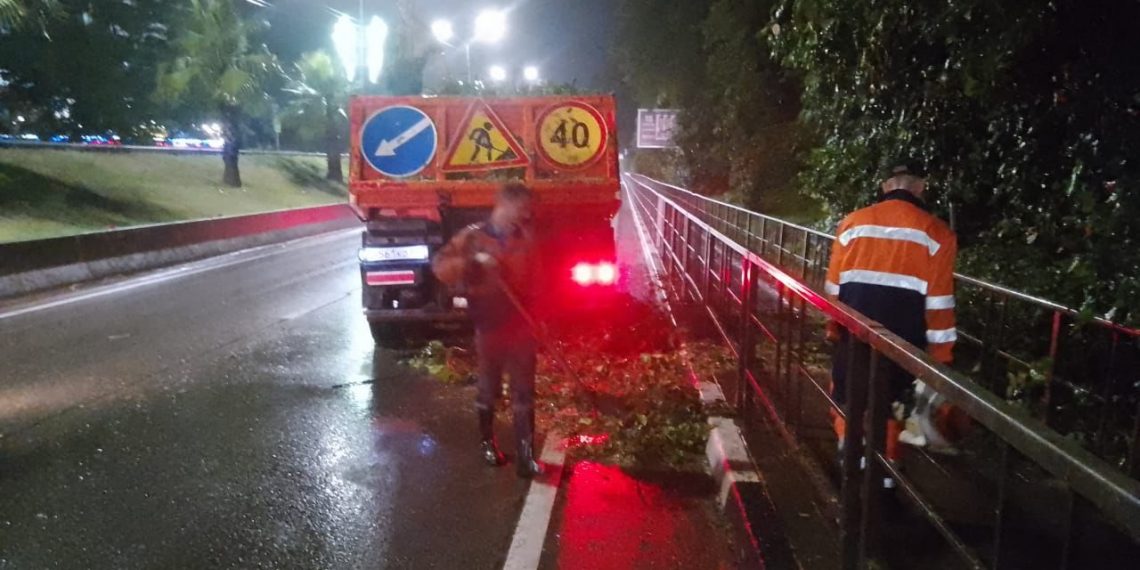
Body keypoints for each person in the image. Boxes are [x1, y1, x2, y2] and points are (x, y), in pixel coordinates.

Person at [825, 159, 958, 475]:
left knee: (848, 395)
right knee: (890, 406)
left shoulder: (851, 224)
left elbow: (833, 288)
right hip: (903, 342)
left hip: (853, 332)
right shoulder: (938, 234)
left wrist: (833, 329)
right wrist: (941, 357)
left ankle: (848, 460)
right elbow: (939, 304)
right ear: (921, 186)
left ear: (885, 185)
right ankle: (883, 476)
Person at [432, 183, 544, 478]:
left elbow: (537, 281)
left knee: (524, 392)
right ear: (504, 205)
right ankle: (488, 445)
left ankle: (526, 455)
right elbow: (440, 266)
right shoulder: (473, 237)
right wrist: (471, 263)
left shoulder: (526, 240)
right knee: (488, 389)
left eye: (526, 210)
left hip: (521, 327)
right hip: (488, 326)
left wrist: (540, 318)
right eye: (521, 209)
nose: (524, 215)